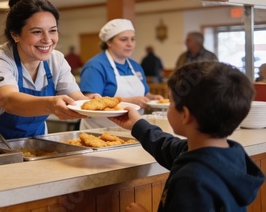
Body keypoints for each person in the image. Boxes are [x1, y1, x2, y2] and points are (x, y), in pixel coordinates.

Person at [108, 61, 265, 212]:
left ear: (186, 115)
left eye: (170, 102)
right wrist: (137, 125)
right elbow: (169, 148)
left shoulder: (192, 181)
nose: (169, 106)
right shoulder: (230, 155)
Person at [0, 0, 99, 140]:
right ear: (15, 35)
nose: (47, 40)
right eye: (37, 32)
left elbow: (75, 97)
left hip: (35, 142)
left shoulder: (56, 60)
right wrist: (51, 104)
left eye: (52, 30)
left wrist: (90, 104)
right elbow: (8, 100)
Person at [79, 19, 163, 129]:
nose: (130, 44)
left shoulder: (135, 66)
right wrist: (130, 102)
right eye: (124, 39)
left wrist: (153, 99)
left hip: (133, 130)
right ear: (109, 42)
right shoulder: (95, 66)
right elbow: (89, 102)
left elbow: (145, 93)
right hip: (99, 131)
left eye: (132, 39)